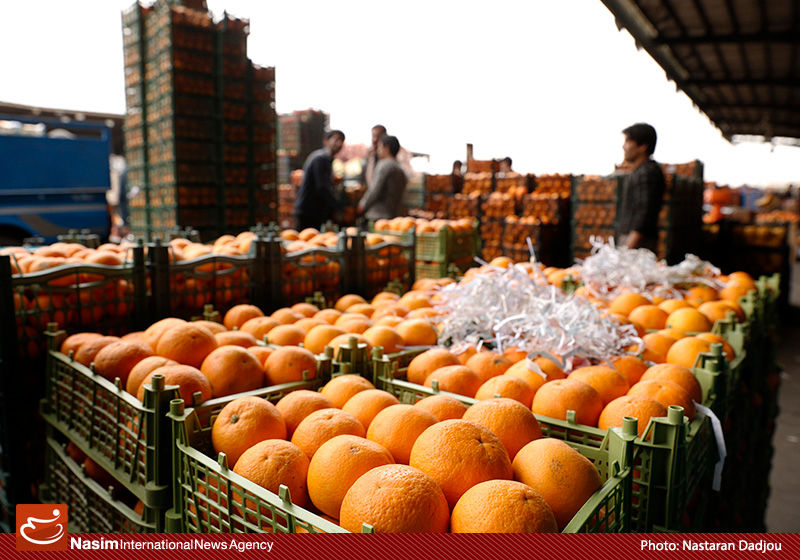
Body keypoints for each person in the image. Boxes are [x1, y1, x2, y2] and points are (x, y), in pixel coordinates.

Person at [615, 123, 666, 251]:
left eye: (628, 141)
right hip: (632, 240)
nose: (623, 146)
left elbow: (645, 212)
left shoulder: (647, 172)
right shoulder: (640, 171)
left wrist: (629, 247)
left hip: (637, 244)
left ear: (643, 147)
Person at [293, 130, 345, 230]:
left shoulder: (326, 159)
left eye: (342, 140)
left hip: (314, 211)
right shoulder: (320, 159)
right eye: (336, 139)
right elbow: (321, 187)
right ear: (326, 141)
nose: (339, 143)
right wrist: (338, 207)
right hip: (308, 212)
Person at [357, 135, 408, 220]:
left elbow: (374, 189)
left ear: (386, 148)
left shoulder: (384, 165)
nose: (378, 150)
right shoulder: (399, 168)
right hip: (393, 215)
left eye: (380, 147)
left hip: (378, 214)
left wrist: (362, 205)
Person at [361, 124, 387, 190]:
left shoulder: (387, 156)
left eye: (378, 136)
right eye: (373, 136)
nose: (375, 140)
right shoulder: (369, 154)